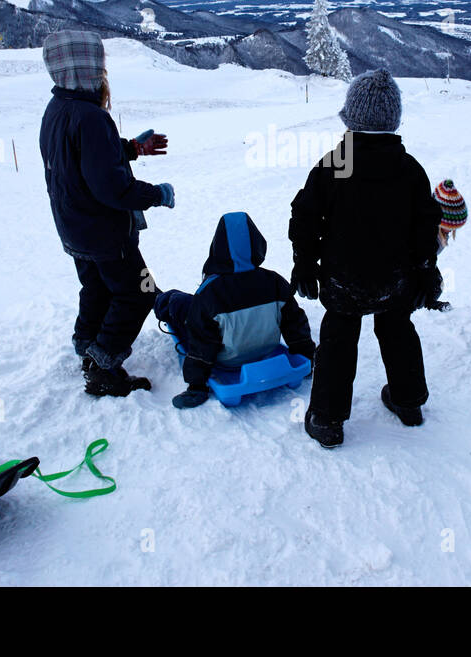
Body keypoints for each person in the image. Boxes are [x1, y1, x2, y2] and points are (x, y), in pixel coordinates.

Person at [289, 69, 443, 448]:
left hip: (345, 280)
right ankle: (409, 403)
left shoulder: (334, 165)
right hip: (396, 279)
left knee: (339, 340)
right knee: (397, 331)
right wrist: (427, 272)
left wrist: (304, 263)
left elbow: (304, 218)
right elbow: (426, 228)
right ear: (394, 120)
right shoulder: (410, 170)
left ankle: (326, 419)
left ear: (351, 119)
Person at [39, 29, 175, 397]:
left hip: (74, 229)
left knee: (97, 286)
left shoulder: (57, 110)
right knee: (138, 292)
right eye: (100, 68)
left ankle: (86, 345)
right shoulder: (92, 117)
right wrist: (156, 195)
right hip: (105, 233)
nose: (103, 76)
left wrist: (131, 148)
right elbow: (111, 188)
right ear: (86, 69)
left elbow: (83, 158)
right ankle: (103, 366)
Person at [154, 212, 315, 409]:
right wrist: (307, 357)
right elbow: (295, 324)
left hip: (228, 361)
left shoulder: (210, 293)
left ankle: (159, 299)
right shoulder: (275, 282)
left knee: (178, 302)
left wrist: (196, 385)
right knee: (195, 306)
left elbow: (201, 341)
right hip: (267, 351)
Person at [425, 179, 468, 311]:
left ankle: (428, 303)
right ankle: (427, 305)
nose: (449, 231)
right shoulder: (425, 235)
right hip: (406, 267)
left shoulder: (438, 234)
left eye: (453, 228)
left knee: (437, 284)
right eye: (446, 226)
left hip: (425, 261)